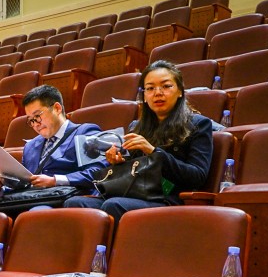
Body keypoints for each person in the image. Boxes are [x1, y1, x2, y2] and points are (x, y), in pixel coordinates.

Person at [64, 60, 213, 222]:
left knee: (114, 205)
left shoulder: (198, 124)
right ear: (144, 95)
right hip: (135, 193)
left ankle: (107, 248)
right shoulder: (136, 127)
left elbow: (197, 176)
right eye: (150, 88)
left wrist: (154, 152)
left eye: (166, 86)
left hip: (168, 198)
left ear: (180, 91)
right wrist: (117, 161)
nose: (158, 93)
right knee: (75, 203)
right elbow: (132, 171)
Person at [0, 85, 105, 213]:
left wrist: (55, 181)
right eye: (31, 120)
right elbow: (24, 186)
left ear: (57, 108)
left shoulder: (84, 132)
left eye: (37, 116)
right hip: (30, 200)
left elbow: (97, 173)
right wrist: (0, 188)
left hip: (63, 202)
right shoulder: (30, 146)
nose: (35, 124)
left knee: (35, 214)